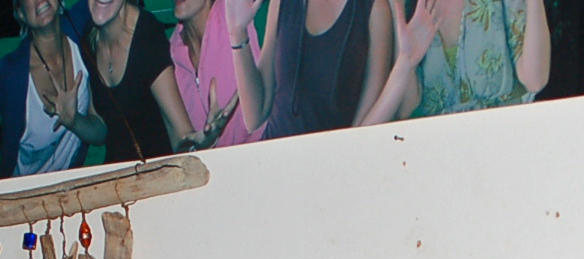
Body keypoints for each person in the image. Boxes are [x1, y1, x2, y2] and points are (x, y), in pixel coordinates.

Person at [0, 0, 106, 180]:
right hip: (23, 193)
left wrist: (74, 121)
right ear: (21, 14)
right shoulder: (9, 75)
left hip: (69, 189)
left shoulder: (78, 26)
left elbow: (100, 135)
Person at [223, 0, 393, 141]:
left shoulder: (375, 9)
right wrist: (237, 33)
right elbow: (255, 116)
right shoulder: (281, 3)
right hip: (273, 155)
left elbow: (364, 129)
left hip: (331, 162)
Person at [360, 0, 550, 125]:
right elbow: (406, 108)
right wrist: (407, 60)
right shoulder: (400, 4)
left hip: (505, 136)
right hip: (438, 151)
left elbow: (535, 80)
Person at [79, 0, 200, 162]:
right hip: (118, 172)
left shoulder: (147, 37)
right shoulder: (90, 38)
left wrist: (203, 145)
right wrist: (73, 120)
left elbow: (180, 131)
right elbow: (101, 129)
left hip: (156, 170)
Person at [168, 0, 263, 148]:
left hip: (269, 151)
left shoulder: (237, 13)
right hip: (212, 161)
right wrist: (204, 145)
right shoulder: (171, 54)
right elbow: (180, 147)